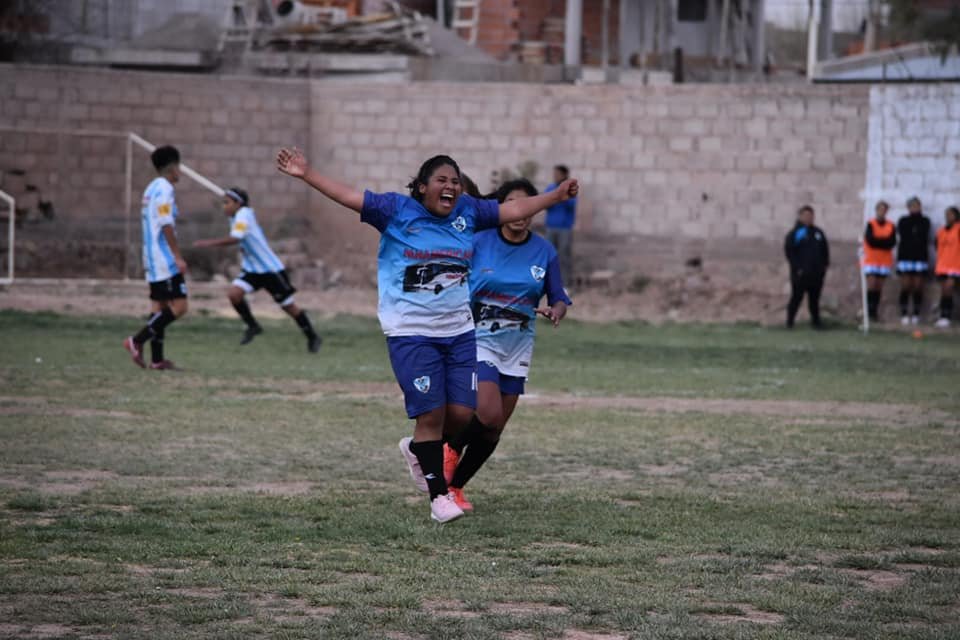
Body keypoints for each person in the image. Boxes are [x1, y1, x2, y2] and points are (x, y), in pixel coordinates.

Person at [275, 148, 578, 523]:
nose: (450, 186)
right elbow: (348, 196)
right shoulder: (395, 211)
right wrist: (306, 174)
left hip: (459, 332)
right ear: (421, 187)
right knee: (431, 413)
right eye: (442, 180)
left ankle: (419, 449)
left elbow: (514, 209)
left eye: (455, 181)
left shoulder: (469, 213)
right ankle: (439, 498)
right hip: (410, 332)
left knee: (462, 414)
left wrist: (556, 195)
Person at [442, 179, 571, 511]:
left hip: (518, 346)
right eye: (512, 205)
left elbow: (558, 297)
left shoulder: (545, 251)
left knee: (494, 429)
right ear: (500, 208)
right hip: (477, 338)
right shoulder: (478, 242)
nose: (520, 214)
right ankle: (447, 450)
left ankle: (454, 488)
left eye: (527, 207)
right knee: (488, 412)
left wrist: (555, 311)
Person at [193, 187, 322, 352]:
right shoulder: (236, 215)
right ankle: (253, 326)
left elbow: (236, 238)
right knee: (234, 294)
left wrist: (208, 243)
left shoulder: (243, 214)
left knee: (288, 306)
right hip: (252, 270)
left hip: (270, 270)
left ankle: (312, 336)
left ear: (238, 203)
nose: (223, 206)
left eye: (227, 203)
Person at [123, 145, 188, 370]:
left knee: (159, 306)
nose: (181, 171)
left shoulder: (151, 188)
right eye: (180, 166)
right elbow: (165, 223)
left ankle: (157, 360)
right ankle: (137, 340)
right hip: (163, 259)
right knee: (180, 307)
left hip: (151, 257)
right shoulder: (165, 189)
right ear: (173, 167)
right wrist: (178, 257)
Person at [784, 205, 830, 329]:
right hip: (801, 273)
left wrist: (824, 266)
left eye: (811, 216)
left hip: (816, 273)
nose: (809, 218)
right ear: (800, 216)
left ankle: (816, 322)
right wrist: (798, 268)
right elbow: (790, 252)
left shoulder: (818, 233)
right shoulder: (796, 233)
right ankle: (789, 322)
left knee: (814, 299)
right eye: (806, 216)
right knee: (796, 298)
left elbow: (825, 250)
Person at [896, 196, 933, 325]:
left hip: (920, 257)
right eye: (912, 206)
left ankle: (916, 313)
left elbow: (923, 235)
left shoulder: (925, 221)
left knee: (918, 286)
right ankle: (904, 313)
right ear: (908, 207)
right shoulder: (903, 220)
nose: (915, 208)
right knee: (906, 285)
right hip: (906, 256)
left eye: (917, 205)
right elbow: (904, 234)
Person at [861, 200, 897, 322]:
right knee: (871, 284)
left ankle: (874, 311)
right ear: (876, 210)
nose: (882, 212)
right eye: (880, 209)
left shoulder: (891, 225)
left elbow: (891, 242)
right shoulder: (871, 224)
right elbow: (870, 240)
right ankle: (868, 311)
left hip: (884, 260)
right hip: (871, 259)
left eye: (884, 209)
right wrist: (882, 242)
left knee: (879, 286)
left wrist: (879, 242)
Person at [543, 165, 576, 286]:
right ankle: (548, 284)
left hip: (564, 228)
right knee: (549, 256)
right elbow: (545, 204)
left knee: (564, 257)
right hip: (551, 227)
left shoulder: (570, 190)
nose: (555, 176)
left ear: (564, 175)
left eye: (557, 174)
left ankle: (565, 284)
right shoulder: (550, 188)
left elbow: (571, 205)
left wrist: (563, 196)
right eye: (554, 174)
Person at [934, 206, 960, 328]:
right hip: (942, 265)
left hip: (955, 266)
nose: (948, 217)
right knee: (944, 291)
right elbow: (936, 245)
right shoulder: (941, 231)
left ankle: (947, 316)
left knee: (949, 289)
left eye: (951, 214)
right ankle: (943, 315)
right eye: (947, 214)